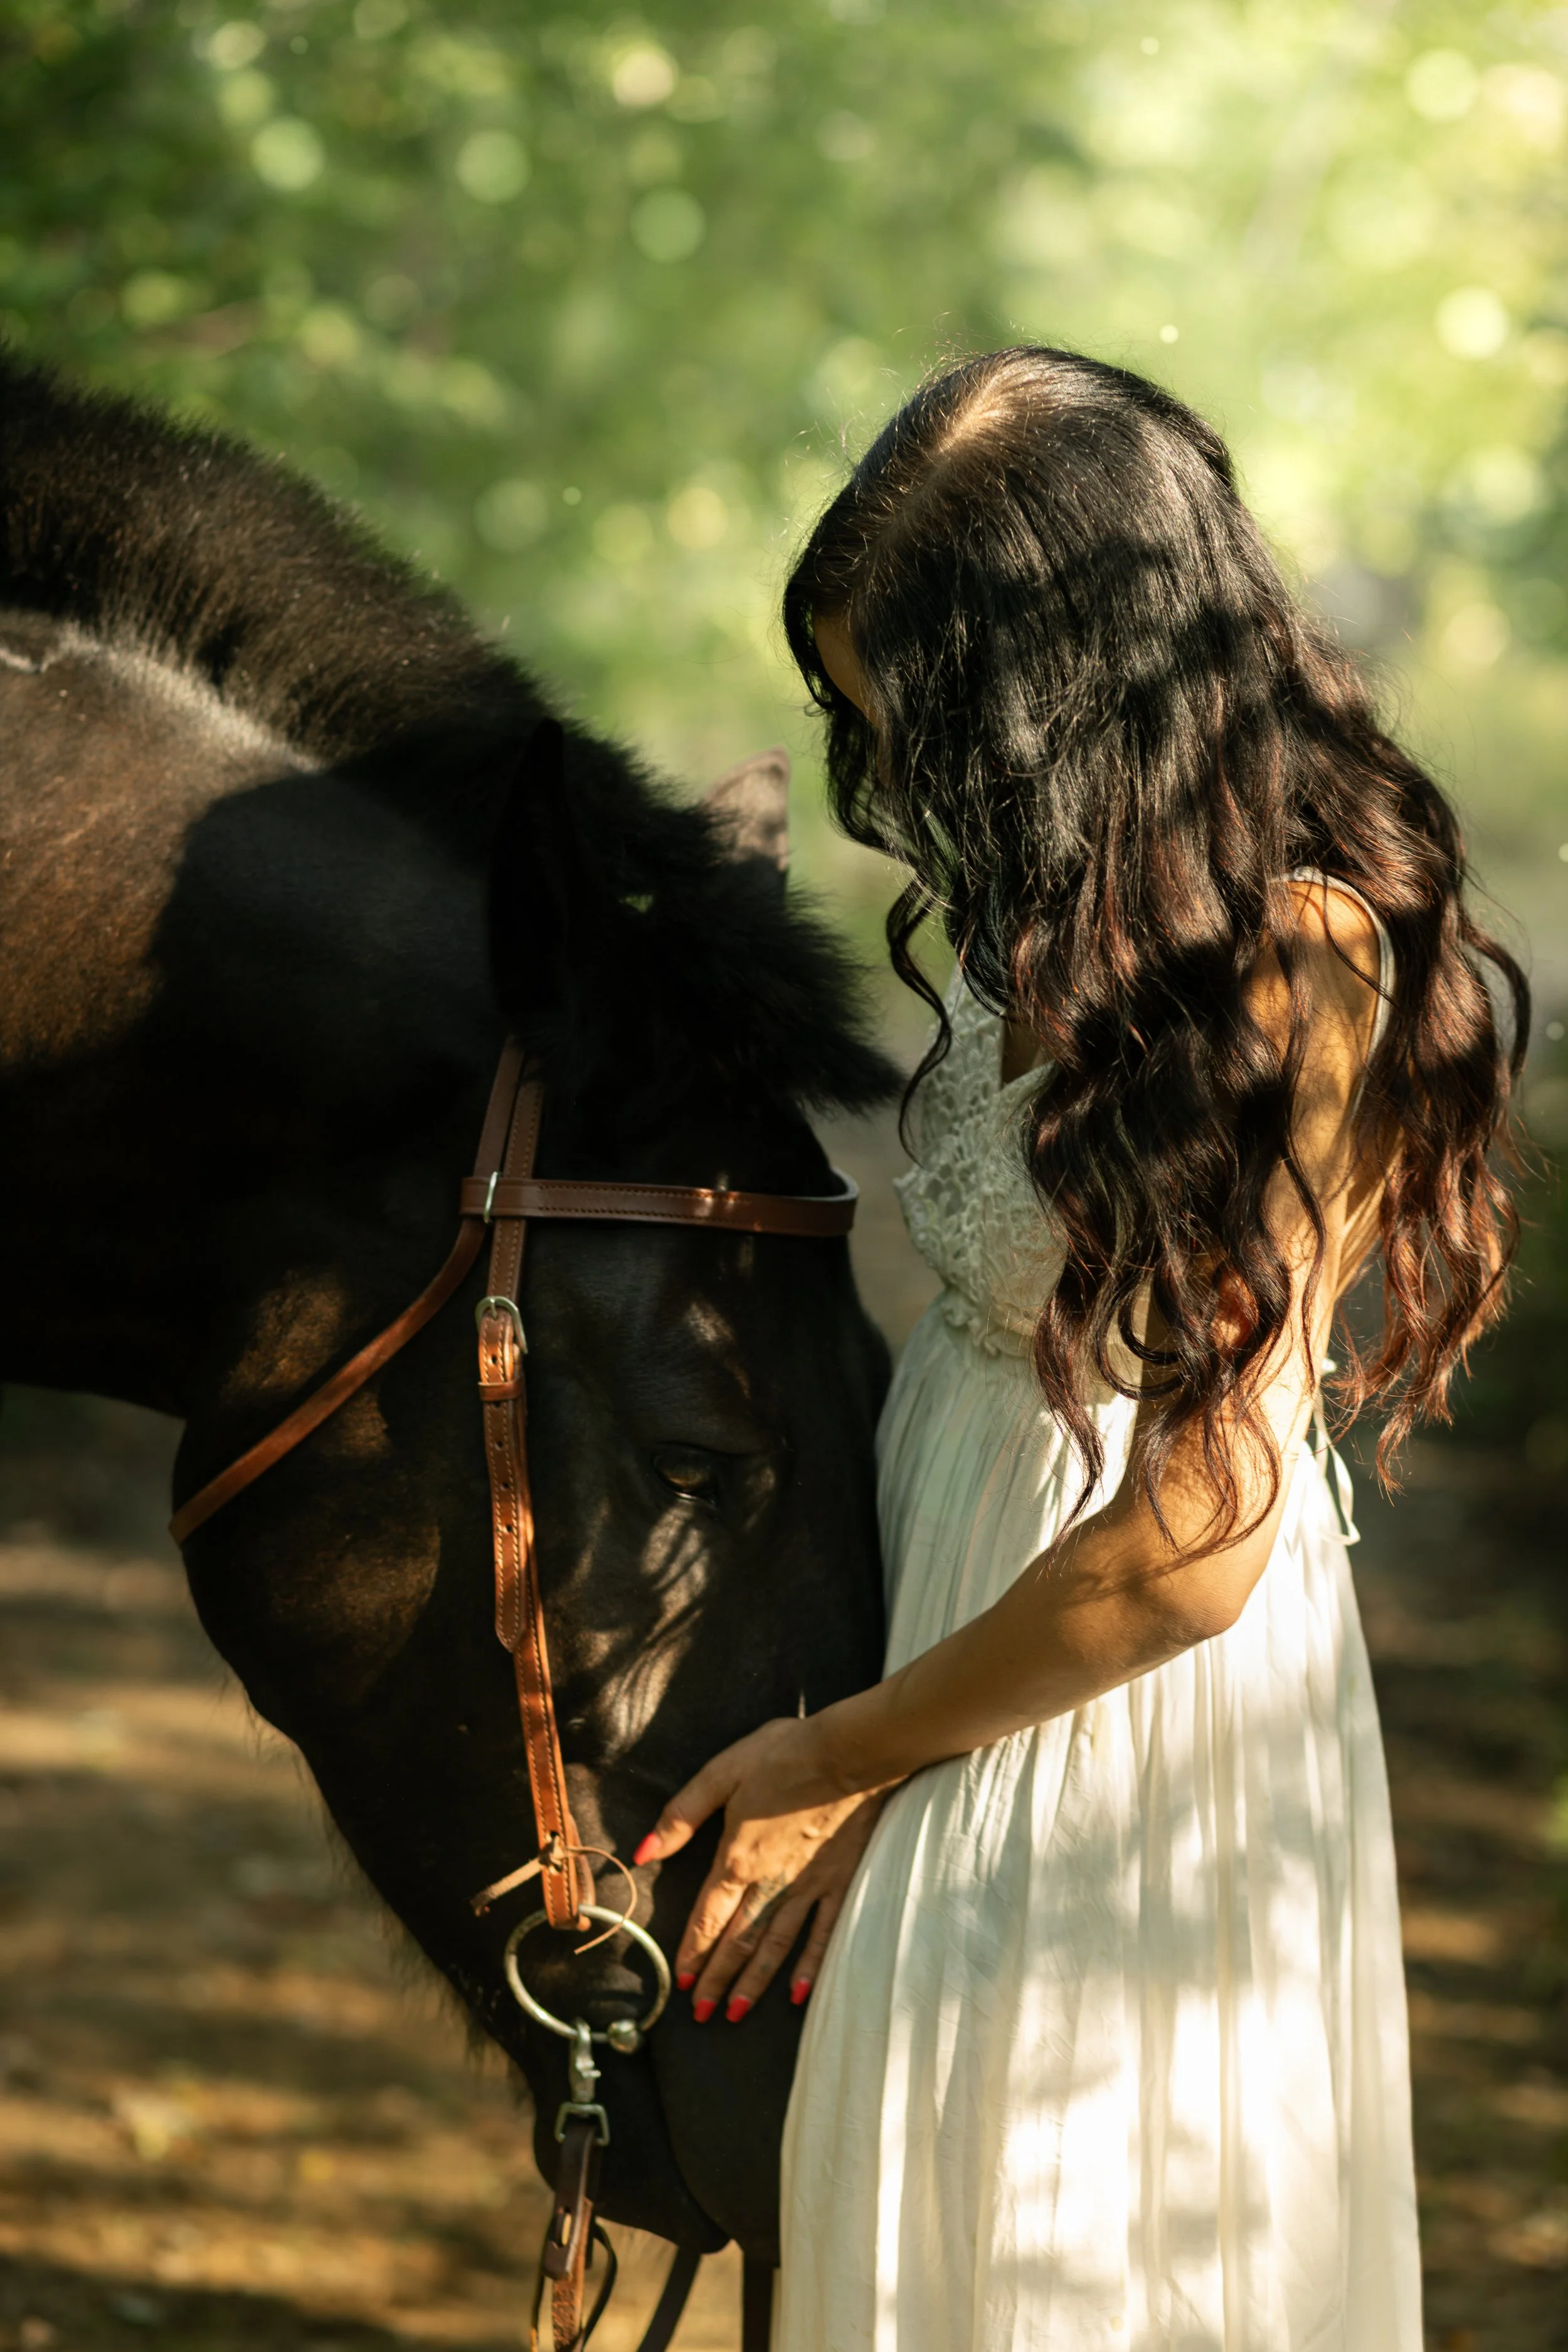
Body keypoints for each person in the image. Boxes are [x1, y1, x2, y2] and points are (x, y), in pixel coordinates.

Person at [631, 347, 1527, 2349]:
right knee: (887, 2231)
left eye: (931, 730)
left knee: (1050, 2258)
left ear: (1065, 697)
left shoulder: (1296, 959)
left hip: (1106, 1716)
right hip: (938, 1626)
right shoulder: (1058, 917)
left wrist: (830, 1758)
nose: (911, 787)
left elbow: (1202, 1525)